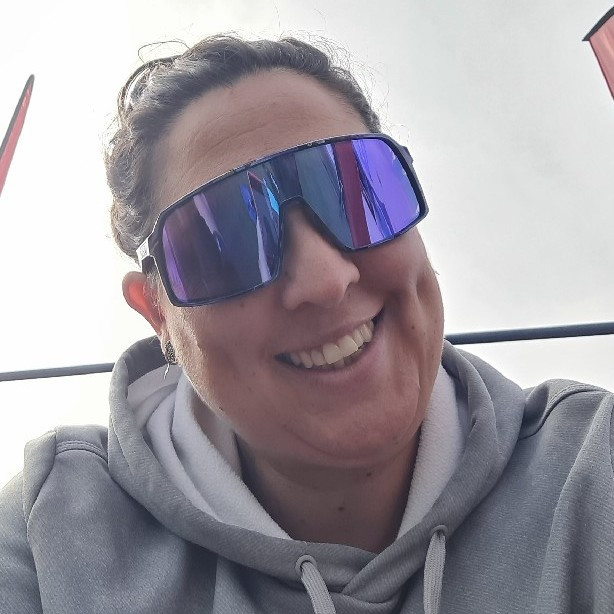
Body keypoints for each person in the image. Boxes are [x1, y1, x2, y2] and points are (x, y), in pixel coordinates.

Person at [1, 35, 613, 614]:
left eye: (357, 192)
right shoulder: (44, 547)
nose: (324, 279)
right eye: (223, 239)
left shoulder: (593, 473)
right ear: (158, 312)